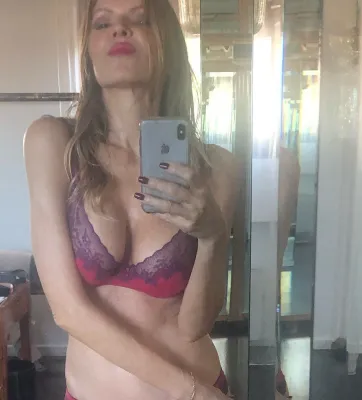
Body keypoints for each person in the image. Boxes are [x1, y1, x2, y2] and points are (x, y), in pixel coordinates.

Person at [23, 0, 239, 399]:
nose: (119, 29)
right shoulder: (55, 145)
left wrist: (212, 237)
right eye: (102, 22)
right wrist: (189, 390)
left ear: (167, 43)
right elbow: (68, 310)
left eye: (139, 19)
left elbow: (195, 326)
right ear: (88, 52)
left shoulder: (216, 167)